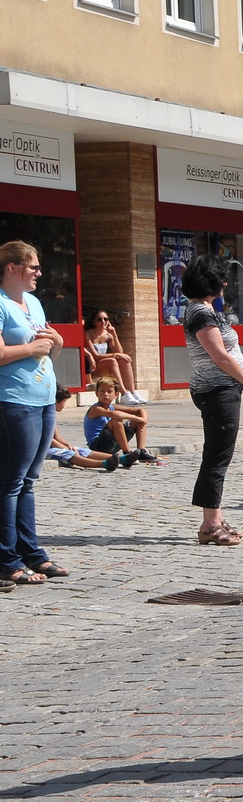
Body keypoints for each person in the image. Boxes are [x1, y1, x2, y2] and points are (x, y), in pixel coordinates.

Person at [180, 254, 243, 546]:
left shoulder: (204, 310)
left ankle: (216, 516)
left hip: (219, 388)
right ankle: (210, 524)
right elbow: (220, 356)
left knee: (219, 455)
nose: (226, 283)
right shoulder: (201, 313)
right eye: (222, 278)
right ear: (212, 282)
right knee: (216, 456)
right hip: (217, 390)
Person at [0, 240, 68, 586]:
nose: (39, 273)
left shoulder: (35, 303)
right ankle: (6, 559)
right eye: (33, 267)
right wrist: (31, 347)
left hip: (42, 398)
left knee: (28, 481)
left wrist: (55, 343)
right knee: (10, 482)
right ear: (12, 268)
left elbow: (46, 352)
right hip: (13, 400)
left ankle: (32, 553)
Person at [83, 375, 156, 466]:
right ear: (97, 393)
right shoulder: (96, 409)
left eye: (109, 391)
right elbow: (115, 415)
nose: (105, 394)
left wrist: (143, 419)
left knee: (137, 418)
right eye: (102, 391)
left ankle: (141, 451)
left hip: (113, 443)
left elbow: (140, 410)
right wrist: (138, 418)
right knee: (116, 421)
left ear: (116, 395)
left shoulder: (112, 407)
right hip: (97, 445)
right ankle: (127, 453)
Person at [81, 311, 144, 403]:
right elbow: (96, 356)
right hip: (91, 367)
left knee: (123, 360)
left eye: (105, 319)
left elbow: (119, 351)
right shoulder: (88, 334)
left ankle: (133, 392)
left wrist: (114, 334)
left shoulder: (107, 335)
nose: (103, 321)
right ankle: (123, 393)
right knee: (112, 361)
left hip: (101, 365)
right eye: (99, 319)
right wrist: (115, 355)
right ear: (94, 322)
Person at [46, 387, 113, 471]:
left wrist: (68, 445)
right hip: (43, 449)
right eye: (64, 401)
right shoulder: (43, 417)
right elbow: (48, 439)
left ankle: (118, 458)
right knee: (69, 453)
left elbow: (57, 437)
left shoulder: (52, 416)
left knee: (80, 450)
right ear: (56, 402)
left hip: (52, 446)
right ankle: (103, 464)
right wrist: (64, 448)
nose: (64, 404)